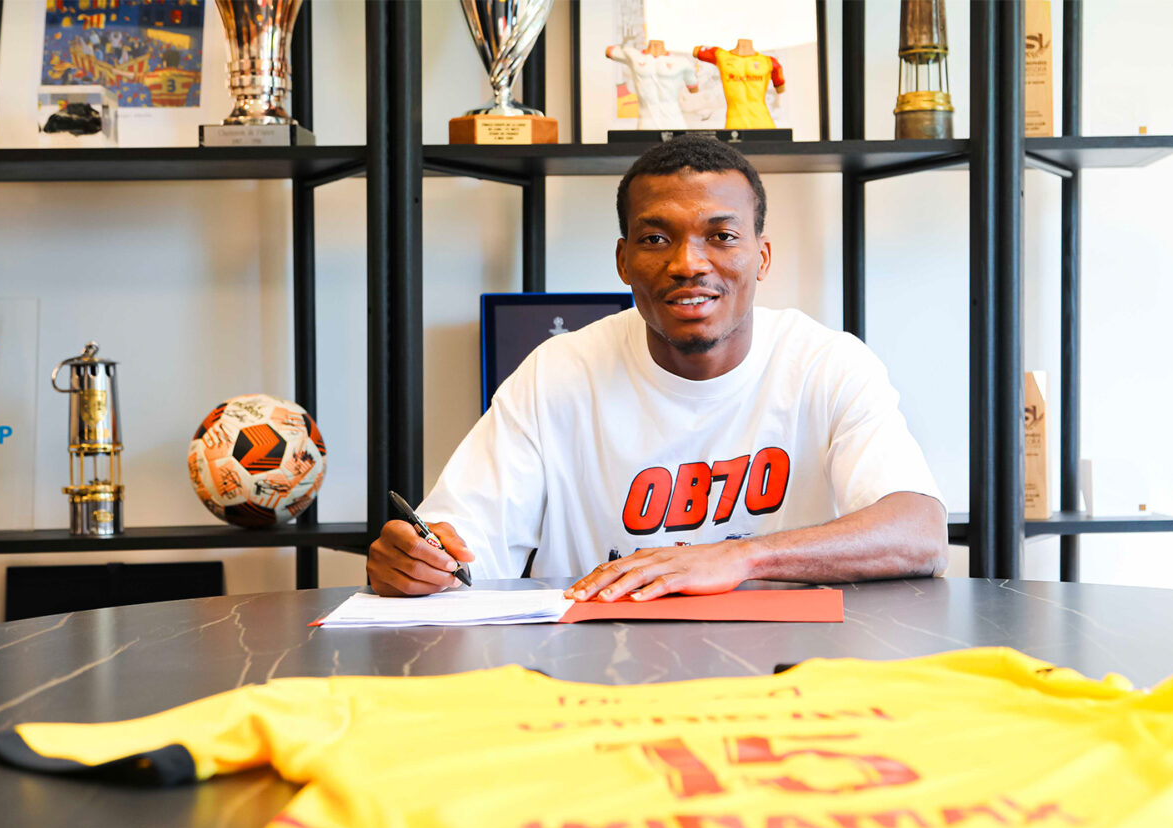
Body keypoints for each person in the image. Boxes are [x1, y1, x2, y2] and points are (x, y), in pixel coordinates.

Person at [367, 136, 947, 602]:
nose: (688, 263)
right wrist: (415, 563)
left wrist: (738, 556)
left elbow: (919, 532)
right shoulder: (556, 375)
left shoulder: (827, 364)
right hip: (595, 676)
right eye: (655, 238)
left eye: (721, 236)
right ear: (624, 261)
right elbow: (459, 548)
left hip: (790, 671)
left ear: (761, 256)